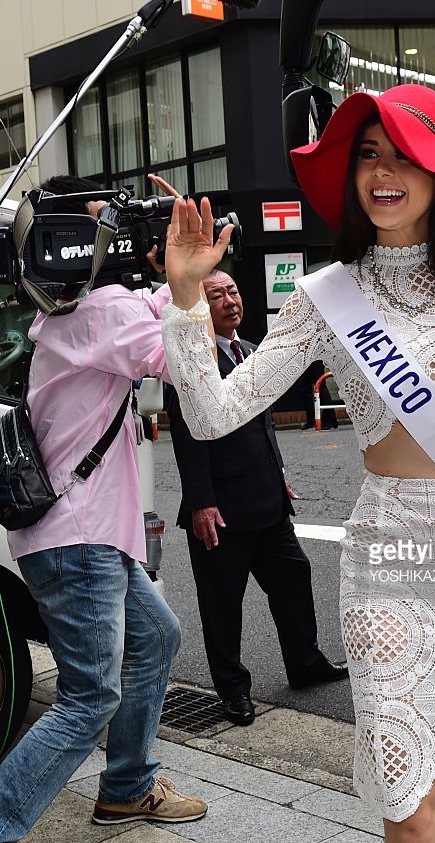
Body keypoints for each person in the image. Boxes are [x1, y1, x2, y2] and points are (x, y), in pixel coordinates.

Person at [159, 85, 435, 843]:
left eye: (403, 153)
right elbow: (212, 412)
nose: (382, 171)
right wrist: (188, 298)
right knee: (411, 806)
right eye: (367, 153)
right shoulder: (329, 295)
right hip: (387, 553)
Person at [0, 174, 206, 841]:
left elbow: (144, 310)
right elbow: (180, 361)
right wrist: (188, 283)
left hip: (86, 534)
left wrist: (172, 273)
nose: (107, 236)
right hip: (80, 537)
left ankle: (125, 787)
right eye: (96, 223)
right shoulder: (97, 310)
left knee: (156, 635)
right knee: (88, 698)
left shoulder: (69, 308)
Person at [164, 268, 348, 726]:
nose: (230, 300)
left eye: (233, 290)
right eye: (216, 295)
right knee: (222, 604)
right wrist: (202, 501)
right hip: (220, 511)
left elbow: (262, 427)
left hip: (266, 501)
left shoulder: (248, 352)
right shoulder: (187, 363)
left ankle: (305, 664)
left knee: (294, 577)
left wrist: (278, 473)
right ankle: (232, 689)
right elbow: (189, 439)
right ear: (199, 308)